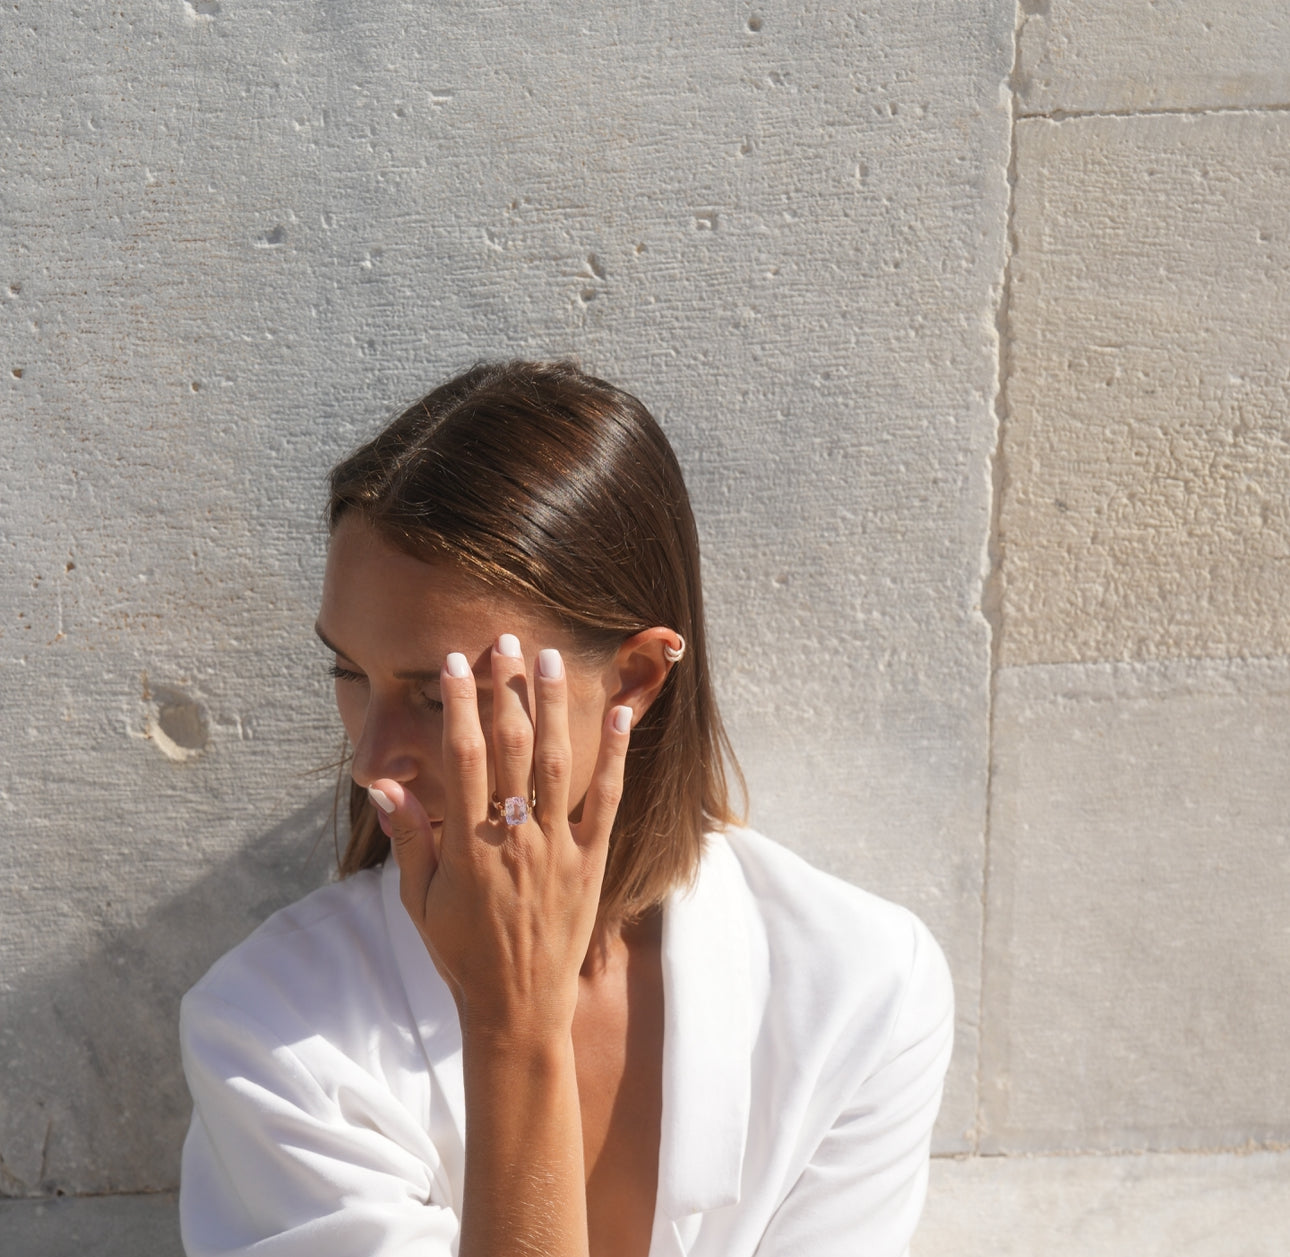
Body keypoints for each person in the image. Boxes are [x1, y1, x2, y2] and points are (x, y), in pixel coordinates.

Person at [178, 360, 954, 1257]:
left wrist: (516, 1020)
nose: (370, 760)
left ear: (632, 680)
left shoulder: (860, 991)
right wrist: (514, 1029)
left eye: (440, 696)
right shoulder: (271, 1026)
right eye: (349, 672)